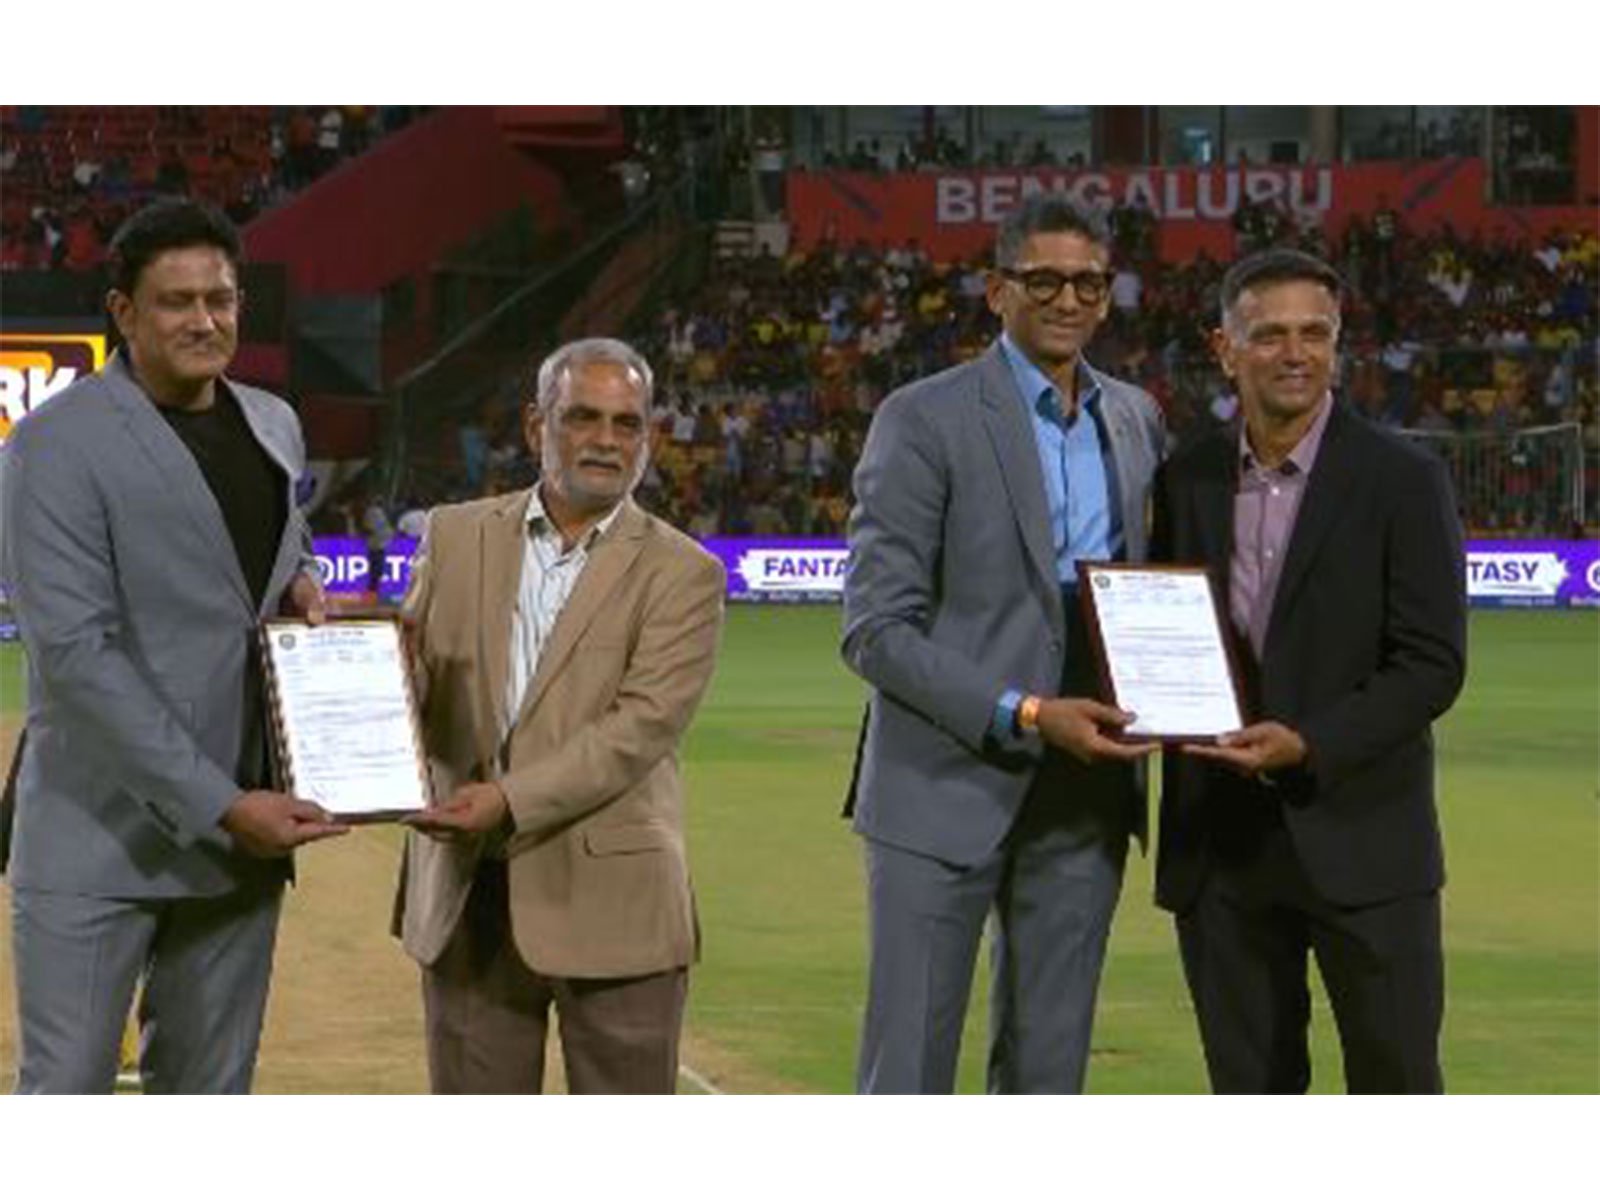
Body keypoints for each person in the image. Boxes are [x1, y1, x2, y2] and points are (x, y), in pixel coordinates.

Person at [0, 198, 346, 1094]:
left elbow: (277, 543)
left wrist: (301, 579)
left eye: (220, 300)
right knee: (66, 1093)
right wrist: (222, 805)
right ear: (124, 312)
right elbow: (76, 658)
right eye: (176, 301)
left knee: (207, 1101)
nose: (204, 321)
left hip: (239, 848)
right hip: (98, 831)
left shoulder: (272, 421)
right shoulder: (50, 445)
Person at [842, 193, 1166, 1094]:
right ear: (997, 291)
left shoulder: (1136, 417)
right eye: (1044, 280)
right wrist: (1022, 712)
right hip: (942, 781)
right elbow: (875, 628)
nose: (1069, 300)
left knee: (1048, 1075)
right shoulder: (923, 416)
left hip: (1087, 787)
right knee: (908, 1072)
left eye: (1089, 283)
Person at [1150, 248, 1467, 1093]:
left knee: (1396, 1092)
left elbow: (1432, 664)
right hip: (1223, 851)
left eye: (1315, 333)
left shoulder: (1404, 479)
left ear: (1336, 343)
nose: (1296, 353)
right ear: (1225, 349)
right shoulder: (1187, 477)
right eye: (1270, 335)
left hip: (1366, 843)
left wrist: (1310, 744)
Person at [395, 337, 725, 1094]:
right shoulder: (454, 534)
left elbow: (640, 728)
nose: (606, 440)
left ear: (648, 437)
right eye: (582, 417)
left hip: (616, 906)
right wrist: (385, 681)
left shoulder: (686, 572)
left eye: (626, 423)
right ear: (535, 424)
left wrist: (507, 801)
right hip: (468, 899)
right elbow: (422, 686)